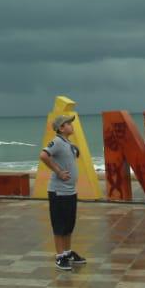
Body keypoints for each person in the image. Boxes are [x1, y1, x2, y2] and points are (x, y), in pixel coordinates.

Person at [39, 115, 85, 270]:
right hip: (58, 192)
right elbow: (44, 155)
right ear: (61, 128)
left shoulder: (67, 143)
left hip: (70, 191)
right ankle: (59, 256)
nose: (71, 125)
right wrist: (58, 171)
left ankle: (67, 252)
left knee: (69, 225)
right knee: (59, 225)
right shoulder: (57, 142)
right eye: (68, 123)